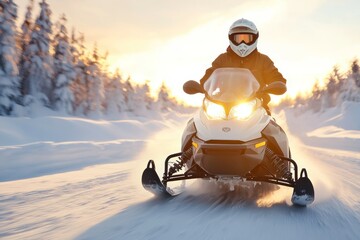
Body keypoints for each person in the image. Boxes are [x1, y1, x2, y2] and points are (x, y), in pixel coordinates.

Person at [199, 18, 286, 114]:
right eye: (238, 39)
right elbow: (208, 78)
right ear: (231, 38)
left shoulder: (263, 60)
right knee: (195, 123)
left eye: (247, 39)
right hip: (221, 108)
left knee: (273, 128)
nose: (242, 43)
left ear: (255, 38)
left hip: (256, 107)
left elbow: (277, 79)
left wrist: (274, 86)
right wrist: (201, 86)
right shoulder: (222, 59)